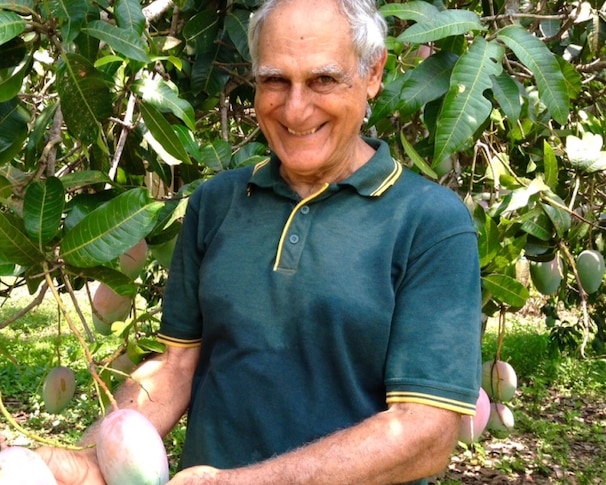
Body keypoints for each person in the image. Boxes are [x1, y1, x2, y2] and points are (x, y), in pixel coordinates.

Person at [38, 0, 482, 483]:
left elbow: (426, 434)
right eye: (274, 80)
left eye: (322, 80)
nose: (294, 108)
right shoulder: (215, 203)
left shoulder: (432, 224)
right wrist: (93, 457)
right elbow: (175, 367)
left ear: (373, 74)